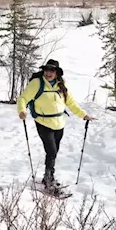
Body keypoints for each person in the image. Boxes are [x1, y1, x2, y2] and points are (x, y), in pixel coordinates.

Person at [17, 59, 95, 189]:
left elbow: (71, 103)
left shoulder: (61, 86)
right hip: (43, 122)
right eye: (46, 70)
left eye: (51, 70)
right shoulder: (37, 83)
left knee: (53, 152)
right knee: (51, 150)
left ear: (57, 73)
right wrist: (22, 110)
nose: (48, 73)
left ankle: (48, 176)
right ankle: (49, 178)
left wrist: (84, 115)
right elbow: (23, 98)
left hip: (59, 123)